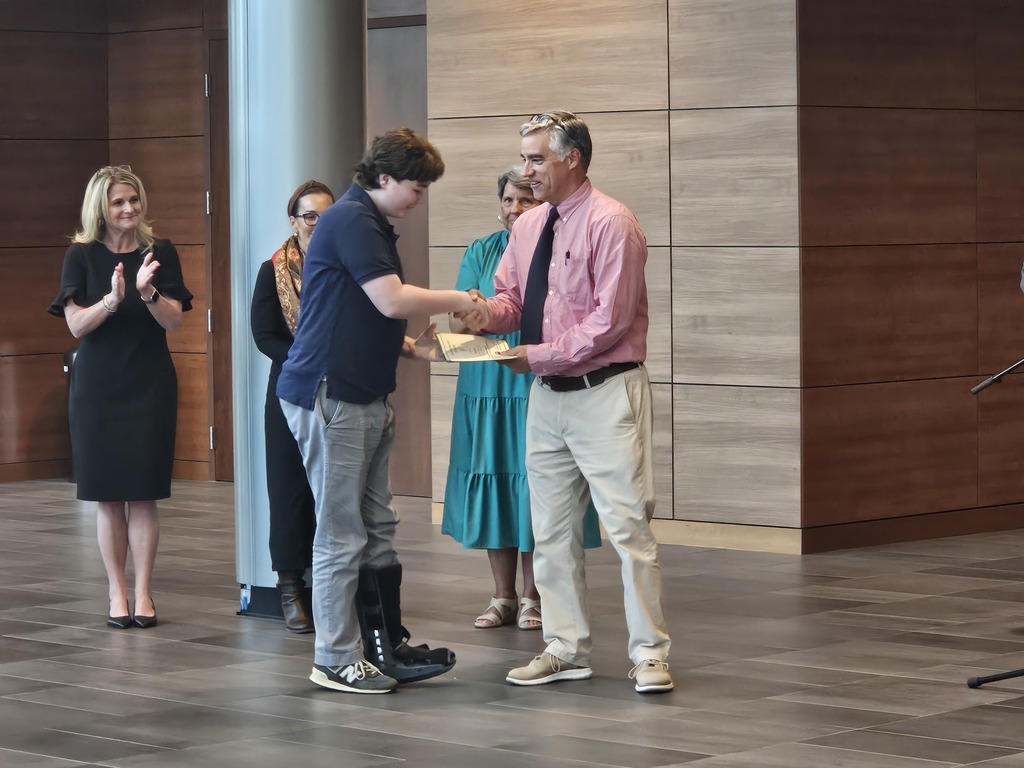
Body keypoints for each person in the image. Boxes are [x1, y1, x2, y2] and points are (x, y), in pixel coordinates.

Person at [463, 110, 673, 694]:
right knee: (550, 530)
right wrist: (484, 315)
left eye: (537, 159)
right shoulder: (528, 228)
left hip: (606, 392)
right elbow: (510, 299)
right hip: (546, 397)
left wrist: (537, 356)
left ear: (572, 159)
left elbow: (611, 321)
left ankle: (650, 654)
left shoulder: (613, 223)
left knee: (629, 530)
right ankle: (565, 647)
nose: (526, 172)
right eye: (524, 160)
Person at [276, 127, 486, 695]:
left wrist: (408, 347)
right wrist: (464, 299)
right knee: (342, 533)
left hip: (363, 391)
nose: (419, 198)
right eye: (416, 187)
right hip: (332, 394)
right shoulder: (350, 219)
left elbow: (352, 309)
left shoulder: (366, 222)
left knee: (377, 529)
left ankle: (382, 645)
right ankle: (335, 656)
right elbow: (390, 298)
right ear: (384, 177)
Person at [442, 166, 601, 631]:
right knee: (494, 479)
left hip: (534, 376)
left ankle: (535, 597)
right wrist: (467, 312)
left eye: (526, 201)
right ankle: (502, 596)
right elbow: (461, 319)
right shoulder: (480, 250)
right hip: (486, 384)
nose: (515, 209)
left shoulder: (558, 249)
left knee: (536, 485)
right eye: (509, 201)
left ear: (544, 206)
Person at [48, 165, 193, 630]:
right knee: (109, 496)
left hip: (149, 383)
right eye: (118, 202)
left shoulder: (160, 252)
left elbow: (174, 321)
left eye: (133, 199)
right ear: (102, 209)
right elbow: (75, 325)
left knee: (144, 494)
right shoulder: (81, 256)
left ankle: (145, 593)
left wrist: (148, 292)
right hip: (98, 389)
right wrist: (111, 299)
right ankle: (116, 592)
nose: (129, 208)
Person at [250, 179, 335, 633]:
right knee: (288, 488)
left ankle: (331, 590)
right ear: (294, 221)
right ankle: (290, 589)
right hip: (288, 388)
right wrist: (304, 361)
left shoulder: (344, 266)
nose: (318, 225)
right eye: (310, 216)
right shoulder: (274, 270)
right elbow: (264, 334)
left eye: (326, 216)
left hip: (339, 390)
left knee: (332, 491)